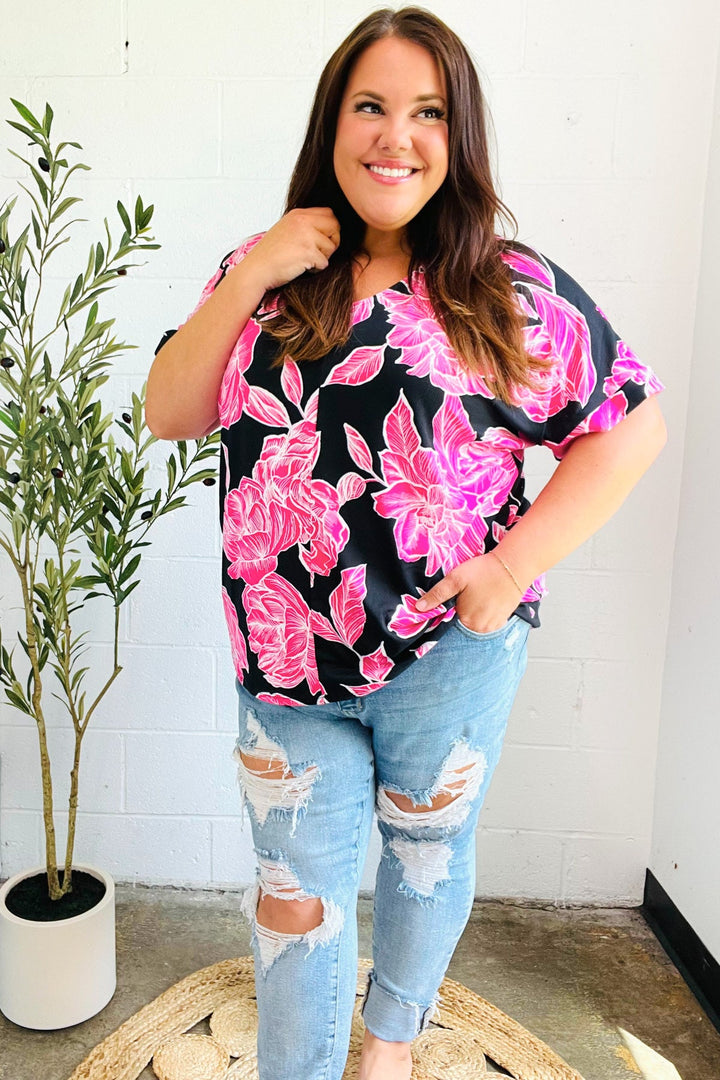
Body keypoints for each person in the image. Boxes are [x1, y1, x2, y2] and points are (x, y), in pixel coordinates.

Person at [146, 7, 666, 1079]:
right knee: (293, 894)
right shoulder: (266, 270)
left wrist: (511, 566)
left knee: (426, 859)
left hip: (448, 656)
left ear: (456, 135)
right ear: (333, 125)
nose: (396, 136)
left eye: (427, 112)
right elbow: (170, 410)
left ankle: (388, 1049)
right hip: (284, 662)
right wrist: (250, 274)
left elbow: (630, 426)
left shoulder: (506, 287)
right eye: (371, 106)